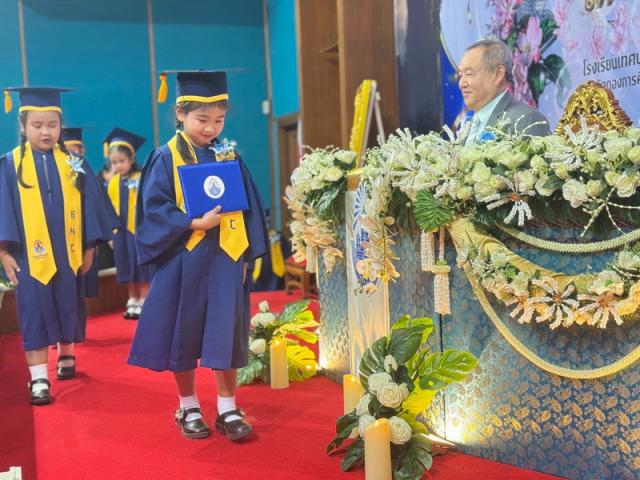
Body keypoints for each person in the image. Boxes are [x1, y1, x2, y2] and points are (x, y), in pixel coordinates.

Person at [128, 71, 269, 441]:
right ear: (180, 114)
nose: (210, 128)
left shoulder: (229, 155)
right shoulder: (165, 157)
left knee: (227, 331)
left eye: (219, 120)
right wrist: (193, 223)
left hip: (225, 258)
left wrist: (245, 258)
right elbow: (153, 209)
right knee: (183, 332)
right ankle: (188, 405)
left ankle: (227, 407)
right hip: (184, 259)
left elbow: (249, 209)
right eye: (202, 119)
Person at [0, 87, 116, 405]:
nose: (46, 132)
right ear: (23, 126)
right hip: (27, 254)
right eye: (37, 125)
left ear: (60, 126)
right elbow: (3, 209)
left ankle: (67, 354)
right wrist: (3, 252)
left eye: (52, 125)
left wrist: (90, 247)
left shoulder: (74, 163)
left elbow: (91, 205)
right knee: (33, 309)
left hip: (69, 250)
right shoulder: (9, 165)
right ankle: (39, 378)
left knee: (68, 302)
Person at [457, 39, 550, 144]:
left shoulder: (526, 120)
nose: (461, 84)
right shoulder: (468, 126)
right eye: (460, 75)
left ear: (498, 74)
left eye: (469, 74)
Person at [104, 127, 150, 319]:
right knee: (126, 266)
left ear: (131, 159)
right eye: (114, 162)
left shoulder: (141, 178)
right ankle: (132, 298)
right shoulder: (113, 182)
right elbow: (109, 208)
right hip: (121, 232)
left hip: (138, 230)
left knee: (141, 266)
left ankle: (144, 299)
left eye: (122, 161)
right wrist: (111, 233)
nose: (118, 166)